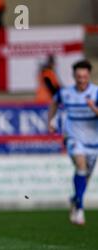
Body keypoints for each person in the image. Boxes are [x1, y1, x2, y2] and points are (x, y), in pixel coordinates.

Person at [48, 59, 98, 226]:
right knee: (80, 165)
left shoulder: (96, 93)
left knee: (85, 178)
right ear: (74, 76)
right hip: (73, 137)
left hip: (93, 142)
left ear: (89, 76)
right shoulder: (66, 92)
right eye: (78, 76)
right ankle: (80, 210)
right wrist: (51, 120)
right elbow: (54, 102)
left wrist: (94, 108)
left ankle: (75, 199)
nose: (81, 80)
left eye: (84, 76)